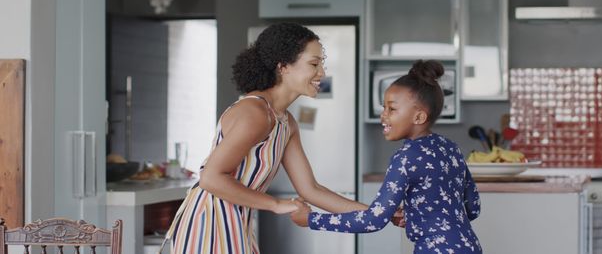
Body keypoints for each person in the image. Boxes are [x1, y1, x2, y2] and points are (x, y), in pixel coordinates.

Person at [160, 22, 369, 254]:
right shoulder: (255, 113)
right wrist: (277, 204)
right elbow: (210, 177)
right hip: (209, 222)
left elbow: (310, 189)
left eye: (321, 64)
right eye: (314, 64)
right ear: (283, 67)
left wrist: (376, 213)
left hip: (237, 221)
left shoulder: (285, 122)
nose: (322, 73)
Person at [291, 60, 482, 254]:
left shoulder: (406, 157)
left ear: (419, 117)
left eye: (391, 109)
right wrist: (421, 214)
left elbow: (374, 220)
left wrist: (310, 219)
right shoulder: (450, 148)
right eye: (384, 108)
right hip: (470, 245)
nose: (383, 115)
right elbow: (473, 207)